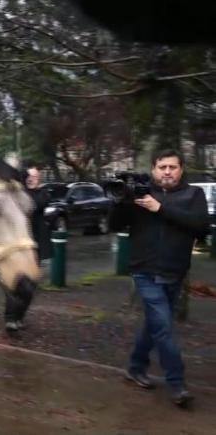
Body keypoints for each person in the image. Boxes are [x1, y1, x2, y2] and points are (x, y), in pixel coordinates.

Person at [109, 149, 209, 408]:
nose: (167, 171)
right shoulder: (141, 194)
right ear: (154, 169)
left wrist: (160, 208)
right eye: (162, 166)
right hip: (145, 271)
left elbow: (201, 227)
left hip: (175, 272)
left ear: (181, 169)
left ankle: (135, 367)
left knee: (154, 325)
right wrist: (121, 202)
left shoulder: (193, 195)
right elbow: (115, 225)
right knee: (164, 328)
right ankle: (177, 385)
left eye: (172, 167)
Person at [4, 165, 49, 332]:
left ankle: (19, 317)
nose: (31, 179)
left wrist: (33, 188)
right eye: (28, 176)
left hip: (34, 247)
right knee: (15, 283)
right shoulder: (17, 194)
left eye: (34, 177)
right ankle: (10, 318)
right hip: (17, 247)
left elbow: (35, 205)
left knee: (30, 287)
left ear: (39, 179)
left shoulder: (42, 194)